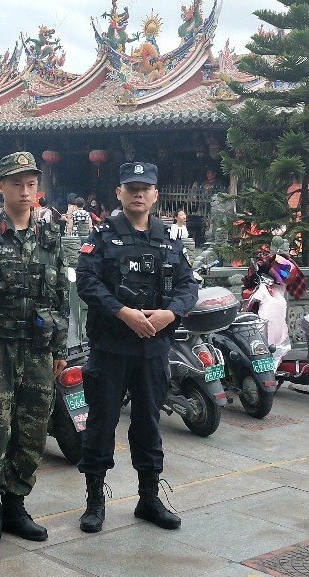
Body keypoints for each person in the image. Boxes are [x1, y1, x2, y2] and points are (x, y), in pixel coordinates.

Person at [75, 162, 199, 533]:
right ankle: (95, 500)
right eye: (131, 188)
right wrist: (123, 312)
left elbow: (188, 286)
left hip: (153, 349)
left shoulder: (170, 240)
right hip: (111, 347)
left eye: (145, 188)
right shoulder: (102, 237)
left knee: (148, 424)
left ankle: (149, 498)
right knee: (101, 424)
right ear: (119, 193)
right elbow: (87, 282)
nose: (138, 194)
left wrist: (170, 313)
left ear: (156, 194)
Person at [0, 152, 69, 548]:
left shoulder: (51, 238)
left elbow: (61, 296)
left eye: (31, 184)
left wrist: (59, 347)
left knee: (33, 429)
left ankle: (16, 504)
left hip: (38, 349)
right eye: (17, 184)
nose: (25, 192)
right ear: (1, 187)